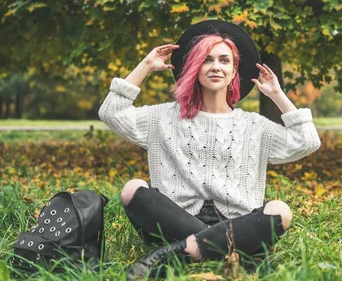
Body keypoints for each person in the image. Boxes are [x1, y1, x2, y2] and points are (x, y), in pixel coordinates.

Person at [99, 20, 321, 279]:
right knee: (132, 189)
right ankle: (228, 251)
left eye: (224, 60)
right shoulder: (162, 118)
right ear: (195, 67)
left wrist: (277, 95)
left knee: (280, 211)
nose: (216, 66)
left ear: (234, 70)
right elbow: (111, 112)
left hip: (235, 222)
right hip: (176, 219)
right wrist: (145, 66)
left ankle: (179, 252)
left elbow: (307, 141)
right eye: (207, 59)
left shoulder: (253, 126)